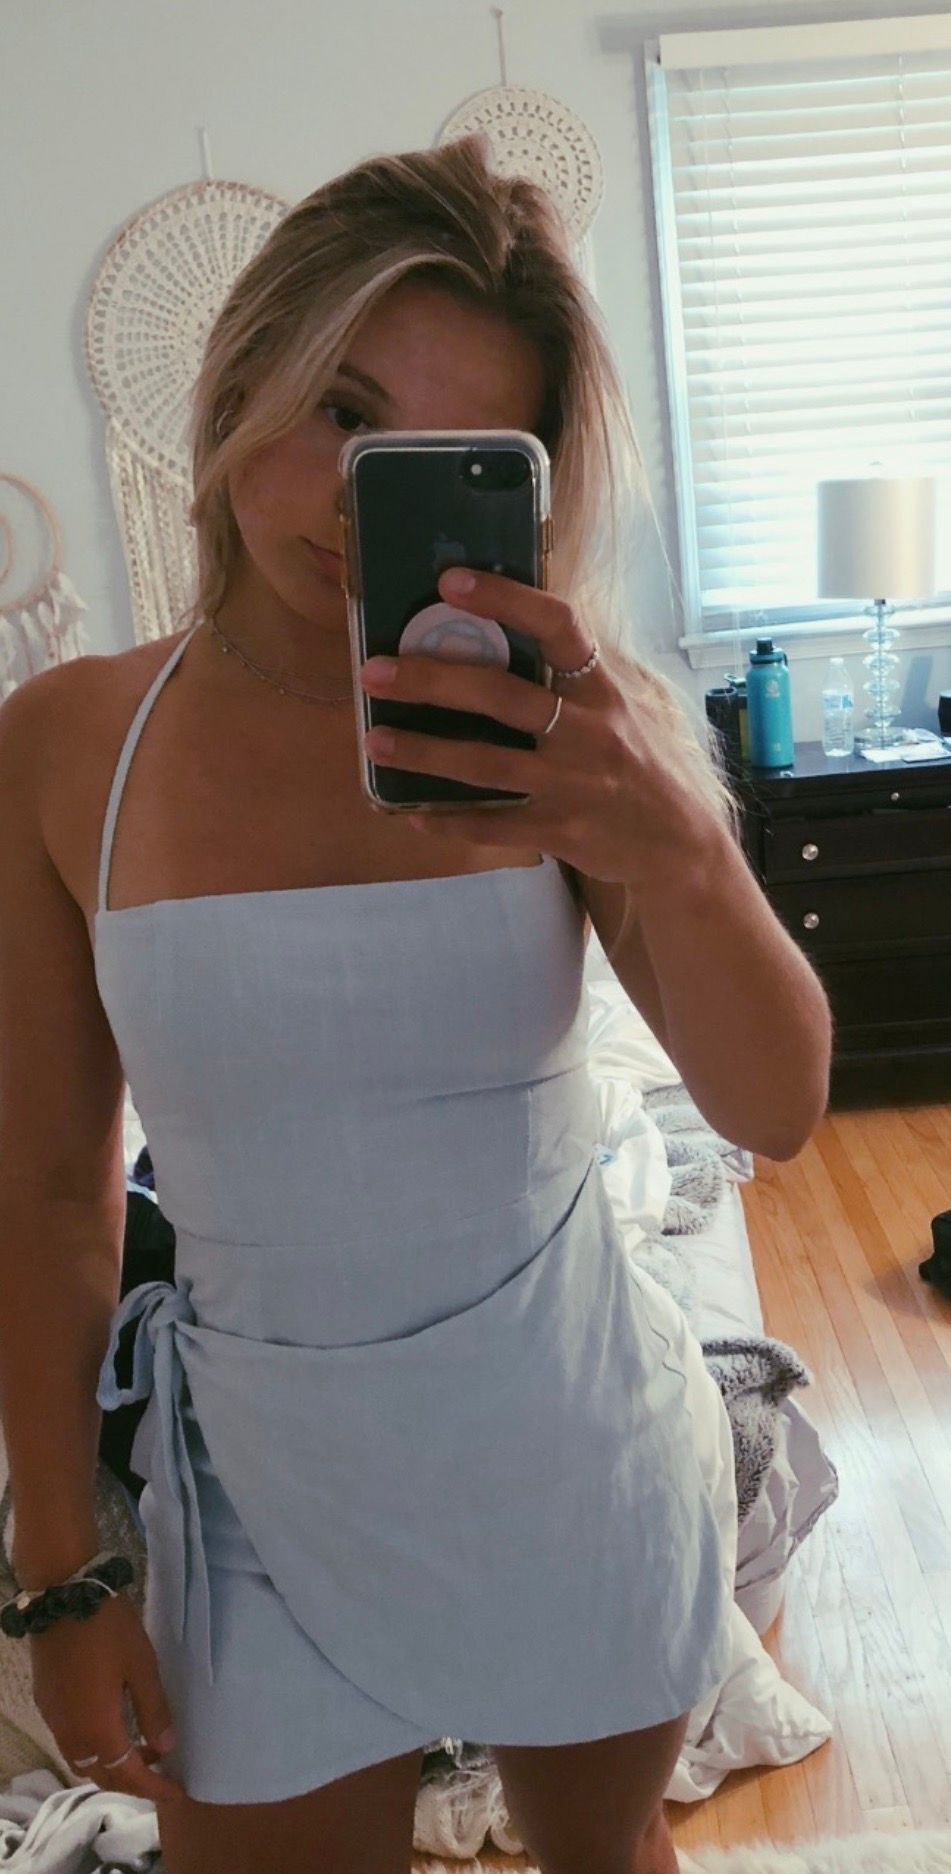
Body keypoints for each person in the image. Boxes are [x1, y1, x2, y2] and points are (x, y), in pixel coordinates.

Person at [0, 134, 831, 1874]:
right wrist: (64, 1569)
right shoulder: (68, 744)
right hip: (255, 1494)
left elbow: (775, 1105)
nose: (346, 498)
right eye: (342, 411)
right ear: (247, 372)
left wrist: (679, 838)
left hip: (568, 1444)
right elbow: (53, 1195)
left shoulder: (567, 733)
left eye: (444, 456)